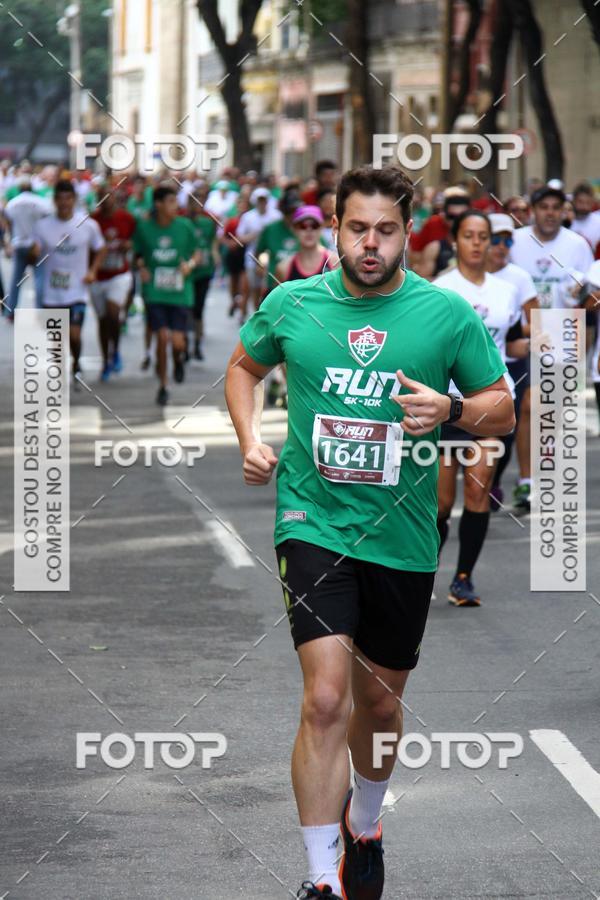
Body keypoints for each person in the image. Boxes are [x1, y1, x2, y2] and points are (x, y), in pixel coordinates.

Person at [225, 165, 514, 899]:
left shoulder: (444, 315)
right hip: (313, 520)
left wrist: (450, 412)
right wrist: (250, 440)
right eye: (358, 228)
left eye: (387, 230)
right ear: (335, 227)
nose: (371, 243)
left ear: (409, 234)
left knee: (380, 704)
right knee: (325, 698)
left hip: (404, 535)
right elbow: (242, 367)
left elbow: (500, 409)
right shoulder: (294, 303)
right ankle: (323, 880)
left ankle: (369, 819)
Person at [434, 210, 528, 606]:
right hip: (446, 404)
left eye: (483, 236)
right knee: (439, 503)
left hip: (490, 402)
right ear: (455, 241)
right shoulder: (440, 290)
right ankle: (423, 571)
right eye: (469, 235)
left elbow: (511, 346)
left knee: (477, 492)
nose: (476, 243)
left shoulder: (506, 291)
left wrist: (552, 340)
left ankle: (463, 578)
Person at [486, 213, 539, 513]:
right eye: (496, 239)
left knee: (506, 430)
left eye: (508, 240)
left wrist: (508, 330)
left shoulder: (518, 277)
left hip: (510, 361)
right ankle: (478, 482)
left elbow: (536, 321)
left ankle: (493, 478)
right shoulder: (463, 278)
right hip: (474, 366)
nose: (502, 246)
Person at [32, 179, 106, 387]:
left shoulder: (88, 225)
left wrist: (92, 271)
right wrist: (33, 253)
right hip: (51, 291)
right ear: (54, 200)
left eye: (68, 198)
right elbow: (33, 256)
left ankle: (76, 363)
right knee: (56, 340)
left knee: (74, 335)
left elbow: (101, 248)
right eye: (60, 198)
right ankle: (57, 374)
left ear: (74, 200)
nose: (64, 203)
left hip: (77, 291)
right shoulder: (42, 226)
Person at [133, 184, 200, 406]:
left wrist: (190, 265)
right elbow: (136, 253)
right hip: (155, 292)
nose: (176, 206)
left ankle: (178, 360)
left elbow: (197, 253)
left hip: (180, 293)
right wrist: (140, 266)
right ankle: (163, 384)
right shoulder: (144, 228)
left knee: (178, 343)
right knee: (162, 337)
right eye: (171, 201)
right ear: (158, 204)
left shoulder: (185, 226)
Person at [510, 185, 594, 311]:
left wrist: (581, 290)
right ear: (532, 210)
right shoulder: (514, 240)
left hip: (566, 326)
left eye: (556, 207)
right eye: (543, 207)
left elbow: (591, 291)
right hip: (523, 327)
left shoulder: (578, 244)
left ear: (563, 211)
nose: (550, 213)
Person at [91, 184, 137, 380]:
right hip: (98, 277)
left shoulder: (126, 218)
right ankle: (105, 361)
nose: (106, 200)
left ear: (116, 198)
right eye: (102, 196)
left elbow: (136, 239)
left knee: (113, 313)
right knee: (102, 321)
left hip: (120, 274)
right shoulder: (92, 221)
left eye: (110, 196)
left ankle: (115, 350)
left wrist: (129, 245)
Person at [2, 174, 50, 318]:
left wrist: (9, 241)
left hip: (19, 244)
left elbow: (7, 222)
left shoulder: (13, 203)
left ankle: (10, 311)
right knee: (39, 279)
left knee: (16, 280)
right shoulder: (40, 202)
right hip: (37, 245)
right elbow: (47, 221)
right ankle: (40, 311)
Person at [183, 183, 219, 360]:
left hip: (204, 270)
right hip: (187, 272)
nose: (196, 206)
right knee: (186, 308)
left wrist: (215, 256)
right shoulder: (182, 223)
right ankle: (185, 344)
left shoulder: (208, 222)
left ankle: (197, 344)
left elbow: (213, 242)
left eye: (200, 202)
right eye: (193, 202)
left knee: (199, 308)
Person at [236, 187, 281, 320]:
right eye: (259, 200)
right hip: (253, 258)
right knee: (254, 287)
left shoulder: (276, 215)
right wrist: (254, 236)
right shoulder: (248, 216)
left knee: (271, 287)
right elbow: (240, 238)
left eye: (264, 200)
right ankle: (257, 313)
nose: (262, 203)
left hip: (272, 257)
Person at [410, 188, 470, 278]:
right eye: (452, 216)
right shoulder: (433, 225)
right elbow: (415, 255)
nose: (457, 221)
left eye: (462, 217)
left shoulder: (475, 234)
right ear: (444, 215)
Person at [255, 187, 302, 296]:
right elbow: (260, 252)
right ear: (282, 210)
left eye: (295, 211)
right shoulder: (271, 229)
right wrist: (261, 265)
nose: (292, 215)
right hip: (275, 286)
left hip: (301, 287)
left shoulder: (307, 229)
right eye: (289, 211)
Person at [275, 206, 337, 283]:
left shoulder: (336, 263)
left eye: (314, 225)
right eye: (302, 226)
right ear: (294, 229)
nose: (309, 230)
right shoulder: (284, 268)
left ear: (322, 228)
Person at [222, 194, 250, 317]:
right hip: (234, 255)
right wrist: (230, 244)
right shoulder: (232, 222)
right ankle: (234, 301)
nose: (242, 207)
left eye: (244, 205)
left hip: (246, 255)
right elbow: (223, 237)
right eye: (240, 205)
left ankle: (243, 310)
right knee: (233, 280)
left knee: (244, 283)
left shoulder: (250, 220)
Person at [570, 182, 600, 254]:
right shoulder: (565, 222)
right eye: (580, 202)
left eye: (588, 203)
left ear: (593, 202)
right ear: (573, 201)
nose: (584, 207)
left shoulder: (598, 222)